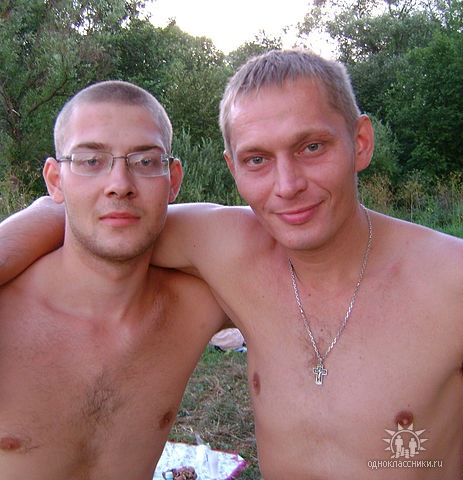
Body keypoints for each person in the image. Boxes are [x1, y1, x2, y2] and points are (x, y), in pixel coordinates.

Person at [1, 50, 462, 479]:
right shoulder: (229, 251)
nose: (287, 185)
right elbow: (98, 220)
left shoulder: (450, 281)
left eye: (312, 147)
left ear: (360, 143)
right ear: (233, 167)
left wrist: (68, 196)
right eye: (257, 159)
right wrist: (53, 207)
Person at [0, 80, 228, 479]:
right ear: (55, 180)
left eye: (145, 162)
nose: (120, 185)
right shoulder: (7, 314)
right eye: (90, 160)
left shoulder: (197, 307)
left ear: (173, 180)